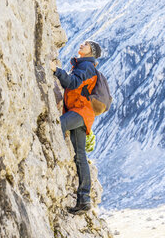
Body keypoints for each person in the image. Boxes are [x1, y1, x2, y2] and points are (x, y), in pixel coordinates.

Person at [50, 40, 102, 215]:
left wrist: (56, 71)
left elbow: (72, 83)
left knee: (58, 124)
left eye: (85, 44)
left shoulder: (87, 67)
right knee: (80, 155)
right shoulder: (83, 65)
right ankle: (84, 200)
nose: (81, 45)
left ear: (91, 51)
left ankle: (50, 162)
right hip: (80, 112)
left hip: (81, 112)